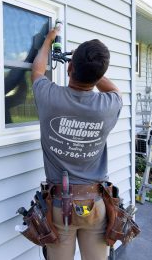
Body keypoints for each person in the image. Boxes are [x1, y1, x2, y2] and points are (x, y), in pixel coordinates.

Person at [31, 27, 123, 260]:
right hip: (96, 203)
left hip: (61, 205)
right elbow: (113, 89)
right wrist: (90, 68)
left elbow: (38, 70)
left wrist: (48, 41)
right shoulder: (109, 105)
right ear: (99, 75)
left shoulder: (49, 97)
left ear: (70, 68)